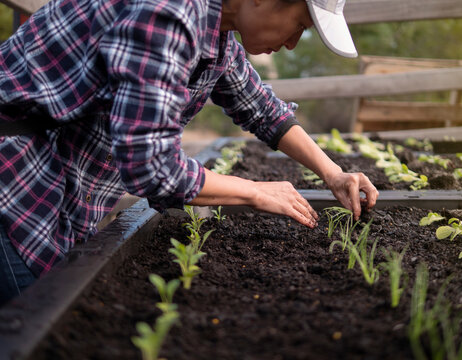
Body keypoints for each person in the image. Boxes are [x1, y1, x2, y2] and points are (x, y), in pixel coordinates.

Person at [0, 0, 378, 305]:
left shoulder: (217, 34)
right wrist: (255, 190)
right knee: (40, 330)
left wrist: (333, 173)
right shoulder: (167, 12)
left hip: (57, 193)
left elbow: (261, 108)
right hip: (16, 186)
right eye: (299, 25)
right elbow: (152, 166)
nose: (293, 42)